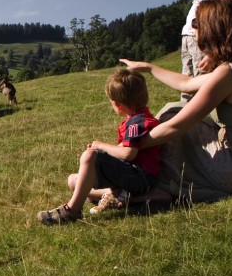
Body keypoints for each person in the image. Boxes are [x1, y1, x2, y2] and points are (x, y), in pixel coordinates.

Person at [122, 0, 232, 203]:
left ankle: (163, 187)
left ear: (212, 29)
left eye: (196, 24)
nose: (193, 30)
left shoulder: (227, 74)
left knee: (172, 117)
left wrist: (130, 146)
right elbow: (187, 84)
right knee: (176, 108)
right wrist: (148, 67)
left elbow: (177, 127)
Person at [37, 68, 161, 225]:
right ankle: (117, 195)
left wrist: (100, 146)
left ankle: (71, 211)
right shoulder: (139, 119)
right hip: (134, 175)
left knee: (89, 156)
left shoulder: (137, 123)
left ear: (118, 105)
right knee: (73, 181)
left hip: (140, 178)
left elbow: (129, 153)